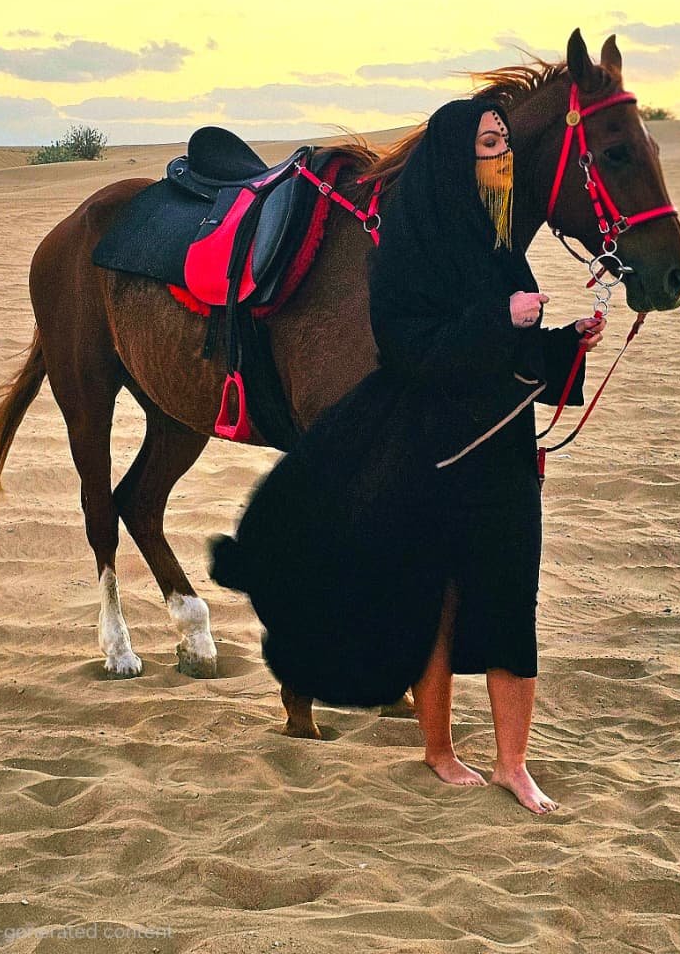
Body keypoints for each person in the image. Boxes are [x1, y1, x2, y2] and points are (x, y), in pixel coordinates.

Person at [209, 95, 604, 814]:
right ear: (455, 157)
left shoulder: (504, 254)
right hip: (437, 454)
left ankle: (513, 764)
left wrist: (564, 344)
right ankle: (440, 750)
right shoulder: (401, 257)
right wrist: (499, 319)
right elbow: (409, 355)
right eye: (488, 145)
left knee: (513, 606)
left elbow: (510, 360)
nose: (501, 158)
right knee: (442, 609)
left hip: (506, 454)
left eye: (503, 145)